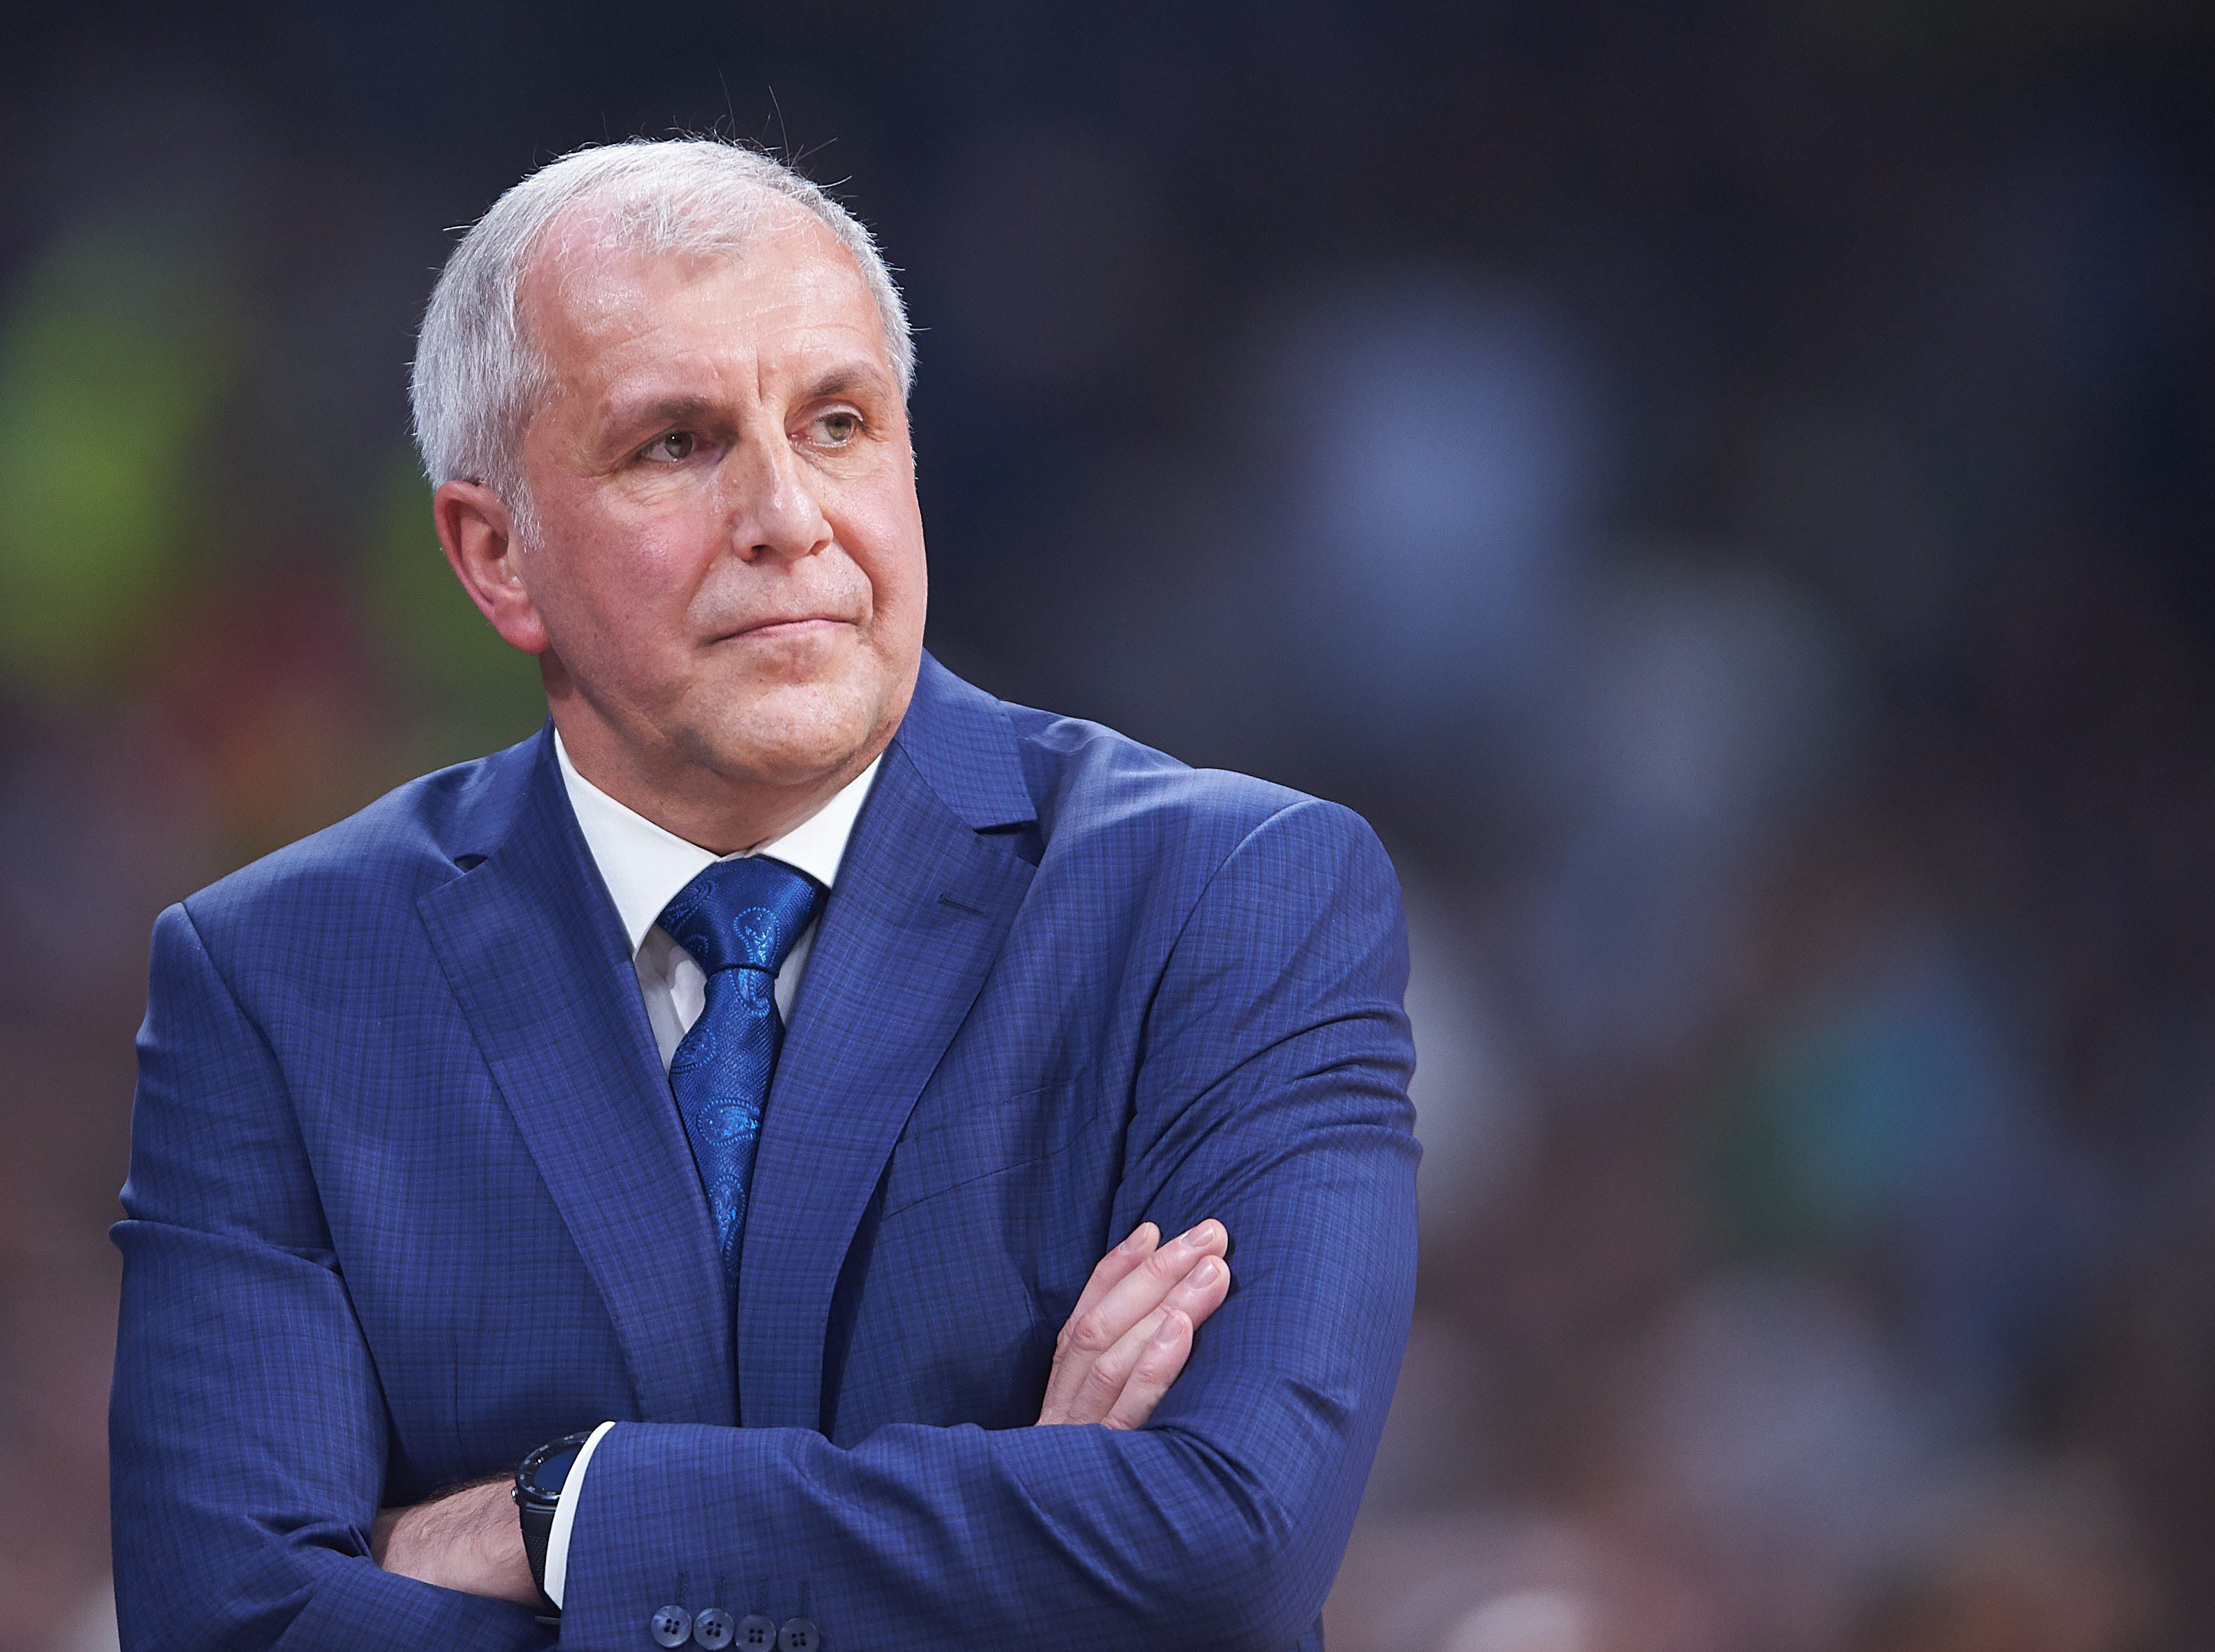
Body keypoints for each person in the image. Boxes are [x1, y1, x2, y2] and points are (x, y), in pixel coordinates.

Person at [108, 139, 1418, 1652]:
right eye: (675, 444)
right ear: (496, 555)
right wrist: (1030, 1546)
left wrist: (562, 1515)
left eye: (838, 423)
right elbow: (233, 1627)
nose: (788, 515)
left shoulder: (1228, 897)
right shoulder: (280, 977)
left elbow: (1226, 1546)